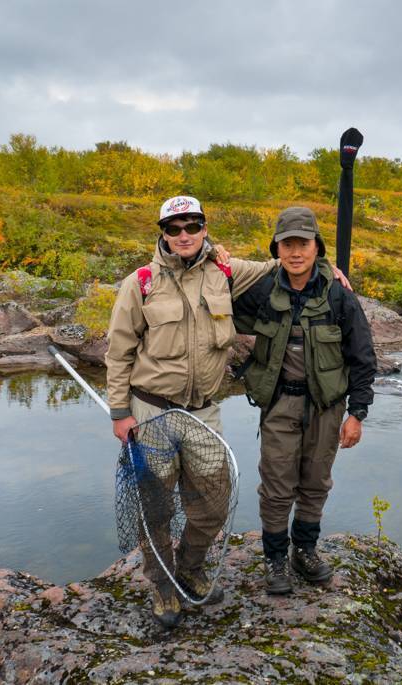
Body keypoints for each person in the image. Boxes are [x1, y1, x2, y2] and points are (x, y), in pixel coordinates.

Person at [105, 195, 278, 628]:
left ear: (204, 228)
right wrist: (119, 412)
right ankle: (164, 588)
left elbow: (281, 268)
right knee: (156, 508)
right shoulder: (140, 282)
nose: (183, 235)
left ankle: (190, 567)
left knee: (213, 503)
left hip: (204, 413)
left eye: (192, 226)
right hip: (151, 412)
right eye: (174, 228)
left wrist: (329, 267)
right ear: (162, 233)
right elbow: (118, 351)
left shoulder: (225, 272)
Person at [233, 206, 376, 595]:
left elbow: (363, 356)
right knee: (277, 485)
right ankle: (276, 558)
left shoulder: (338, 295)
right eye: (287, 244)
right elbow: (215, 297)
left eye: (304, 244)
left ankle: (305, 551)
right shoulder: (261, 290)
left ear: (318, 247)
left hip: (327, 408)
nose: (296, 252)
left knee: (315, 483)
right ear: (277, 249)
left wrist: (357, 413)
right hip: (278, 404)